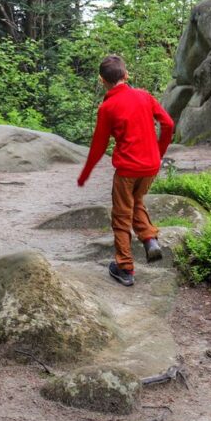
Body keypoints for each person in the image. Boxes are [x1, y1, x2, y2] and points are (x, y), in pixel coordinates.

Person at [77, 55, 174, 286]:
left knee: (121, 216)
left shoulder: (107, 107)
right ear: (126, 75)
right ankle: (149, 238)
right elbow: (168, 124)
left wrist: (85, 173)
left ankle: (125, 268)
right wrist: (158, 152)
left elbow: (99, 146)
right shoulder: (144, 96)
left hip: (128, 169)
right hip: (150, 167)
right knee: (136, 200)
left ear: (102, 80)